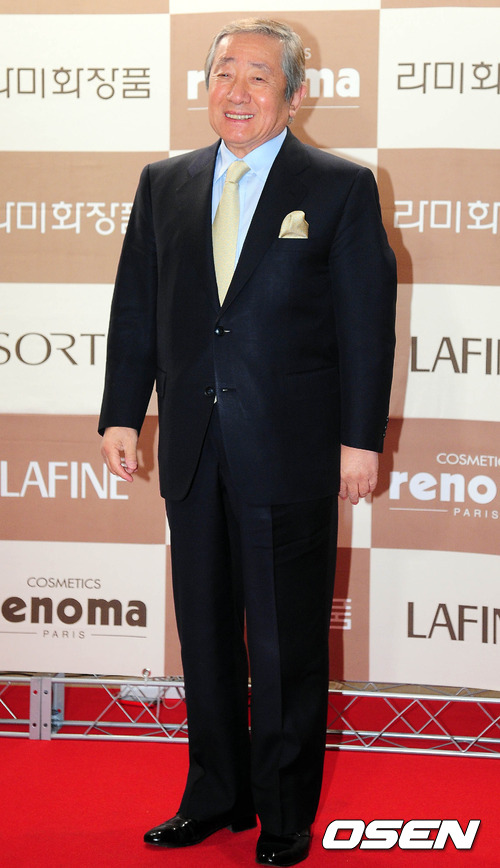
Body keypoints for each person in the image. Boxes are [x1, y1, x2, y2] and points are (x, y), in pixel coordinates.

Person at [99, 17, 396, 866]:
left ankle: (284, 811)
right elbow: (136, 306)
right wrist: (121, 413)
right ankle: (214, 795)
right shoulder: (164, 182)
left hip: (290, 448)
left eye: (259, 76)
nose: (237, 91)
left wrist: (359, 440)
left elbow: (366, 327)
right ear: (206, 88)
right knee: (205, 635)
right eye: (224, 73)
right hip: (194, 446)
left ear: (293, 95)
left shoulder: (340, 187)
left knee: (285, 641)